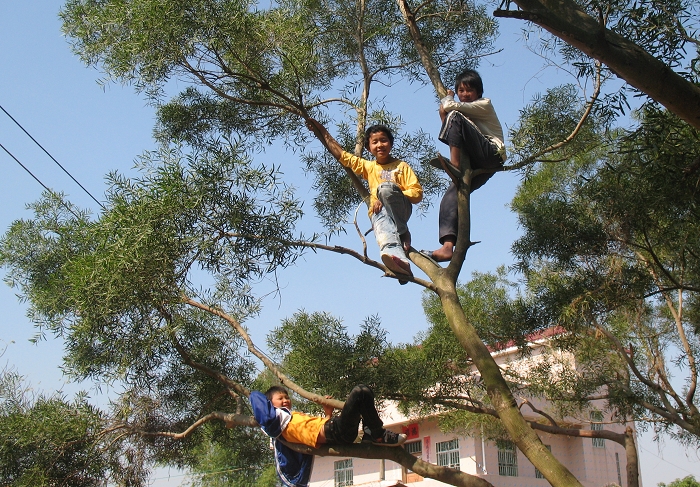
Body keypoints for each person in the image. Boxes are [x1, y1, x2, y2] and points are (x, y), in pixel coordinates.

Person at [306, 119, 423, 278]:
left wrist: (388, 195)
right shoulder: (369, 167)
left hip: (400, 210)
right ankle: (400, 263)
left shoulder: (401, 166)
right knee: (382, 232)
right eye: (375, 142)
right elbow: (342, 155)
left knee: (384, 188)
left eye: (383, 140)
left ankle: (402, 231)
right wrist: (321, 130)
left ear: (391, 143)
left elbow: (417, 194)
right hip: (380, 213)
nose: (380, 145)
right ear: (369, 148)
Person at [250, 385, 407, 487]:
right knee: (360, 392)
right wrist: (252, 393)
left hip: (334, 430)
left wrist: (328, 413)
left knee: (366, 392)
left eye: (287, 397)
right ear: (270, 404)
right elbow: (256, 397)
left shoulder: (292, 417)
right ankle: (377, 434)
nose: (285, 400)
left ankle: (372, 434)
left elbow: (315, 433)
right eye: (280, 398)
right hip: (335, 431)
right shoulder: (275, 423)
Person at [427, 69, 507, 262]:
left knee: (454, 114)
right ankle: (448, 247)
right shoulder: (466, 116)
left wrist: (448, 97)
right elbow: (453, 129)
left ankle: (454, 164)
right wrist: (443, 115)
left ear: (479, 92)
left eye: (469, 90)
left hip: (491, 154)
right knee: (451, 195)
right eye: (460, 90)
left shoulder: (484, 104)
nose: (464, 94)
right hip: (476, 161)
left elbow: (450, 108)